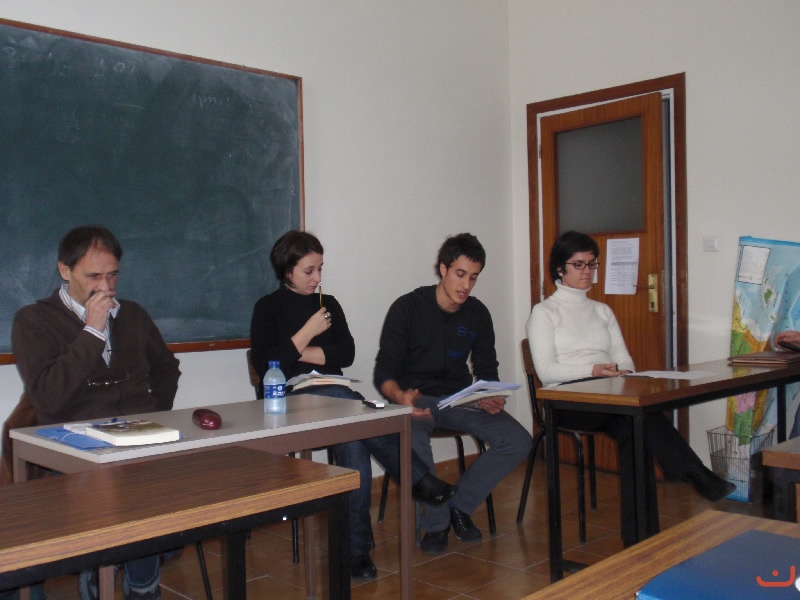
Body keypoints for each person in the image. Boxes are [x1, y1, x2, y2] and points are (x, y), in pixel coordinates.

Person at [249, 230, 457, 580]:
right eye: (309, 271)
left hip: (334, 394)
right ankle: (417, 479)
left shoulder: (329, 303)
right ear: (287, 270)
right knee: (354, 411)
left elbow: (346, 354)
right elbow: (268, 364)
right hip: (288, 400)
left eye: (320, 269)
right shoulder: (267, 308)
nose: (317, 278)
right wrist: (308, 332)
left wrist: (295, 352)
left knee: (354, 435)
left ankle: (356, 551)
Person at [527, 230, 735, 546]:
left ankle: (640, 540)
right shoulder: (544, 312)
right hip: (566, 399)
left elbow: (624, 358)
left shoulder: (602, 311)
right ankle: (696, 475)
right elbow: (546, 371)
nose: (587, 272)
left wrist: (624, 371)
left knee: (635, 427)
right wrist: (592, 369)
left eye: (592, 264)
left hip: (608, 393)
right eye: (579, 265)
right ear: (559, 268)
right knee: (639, 420)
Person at [11, 225, 181, 600]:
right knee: (121, 490)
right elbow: (48, 398)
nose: (106, 286)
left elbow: (167, 368)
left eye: (113, 275)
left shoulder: (133, 315)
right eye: (93, 276)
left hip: (136, 439)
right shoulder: (33, 320)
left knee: (177, 477)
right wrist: (92, 331)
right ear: (65, 270)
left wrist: (157, 414)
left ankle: (134, 577)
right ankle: (118, 573)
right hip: (73, 445)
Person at [374, 233, 532, 555]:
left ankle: (459, 505)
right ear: (443, 268)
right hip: (416, 398)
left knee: (518, 440)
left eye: (473, 277)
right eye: (460, 274)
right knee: (414, 436)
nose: (466, 285)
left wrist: (489, 393)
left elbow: (486, 368)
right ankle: (436, 525)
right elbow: (384, 371)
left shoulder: (477, 313)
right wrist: (399, 396)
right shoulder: (408, 307)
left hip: (460, 399)